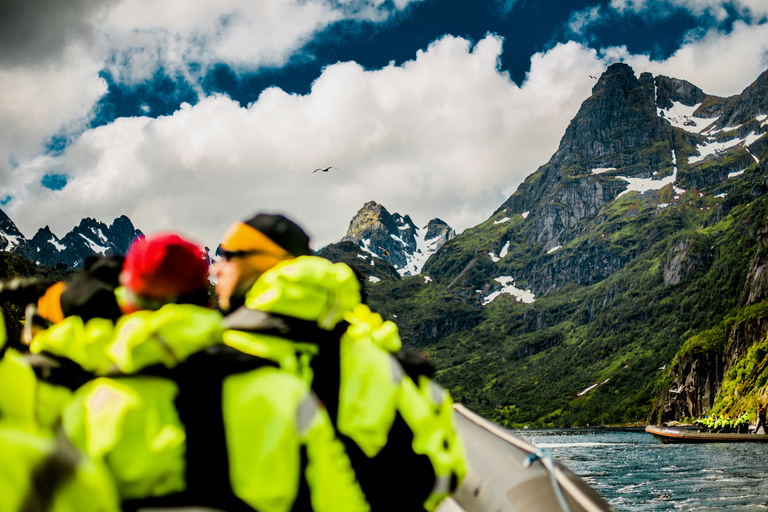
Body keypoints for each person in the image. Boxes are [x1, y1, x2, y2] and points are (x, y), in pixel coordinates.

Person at [57, 233, 369, 512]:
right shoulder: (283, 390)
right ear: (208, 302)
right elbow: (336, 501)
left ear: (127, 305)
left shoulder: (89, 406)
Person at [213, 213, 466, 511]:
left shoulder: (224, 348)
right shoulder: (373, 352)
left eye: (228, 256)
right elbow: (437, 469)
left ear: (262, 261)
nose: (217, 268)